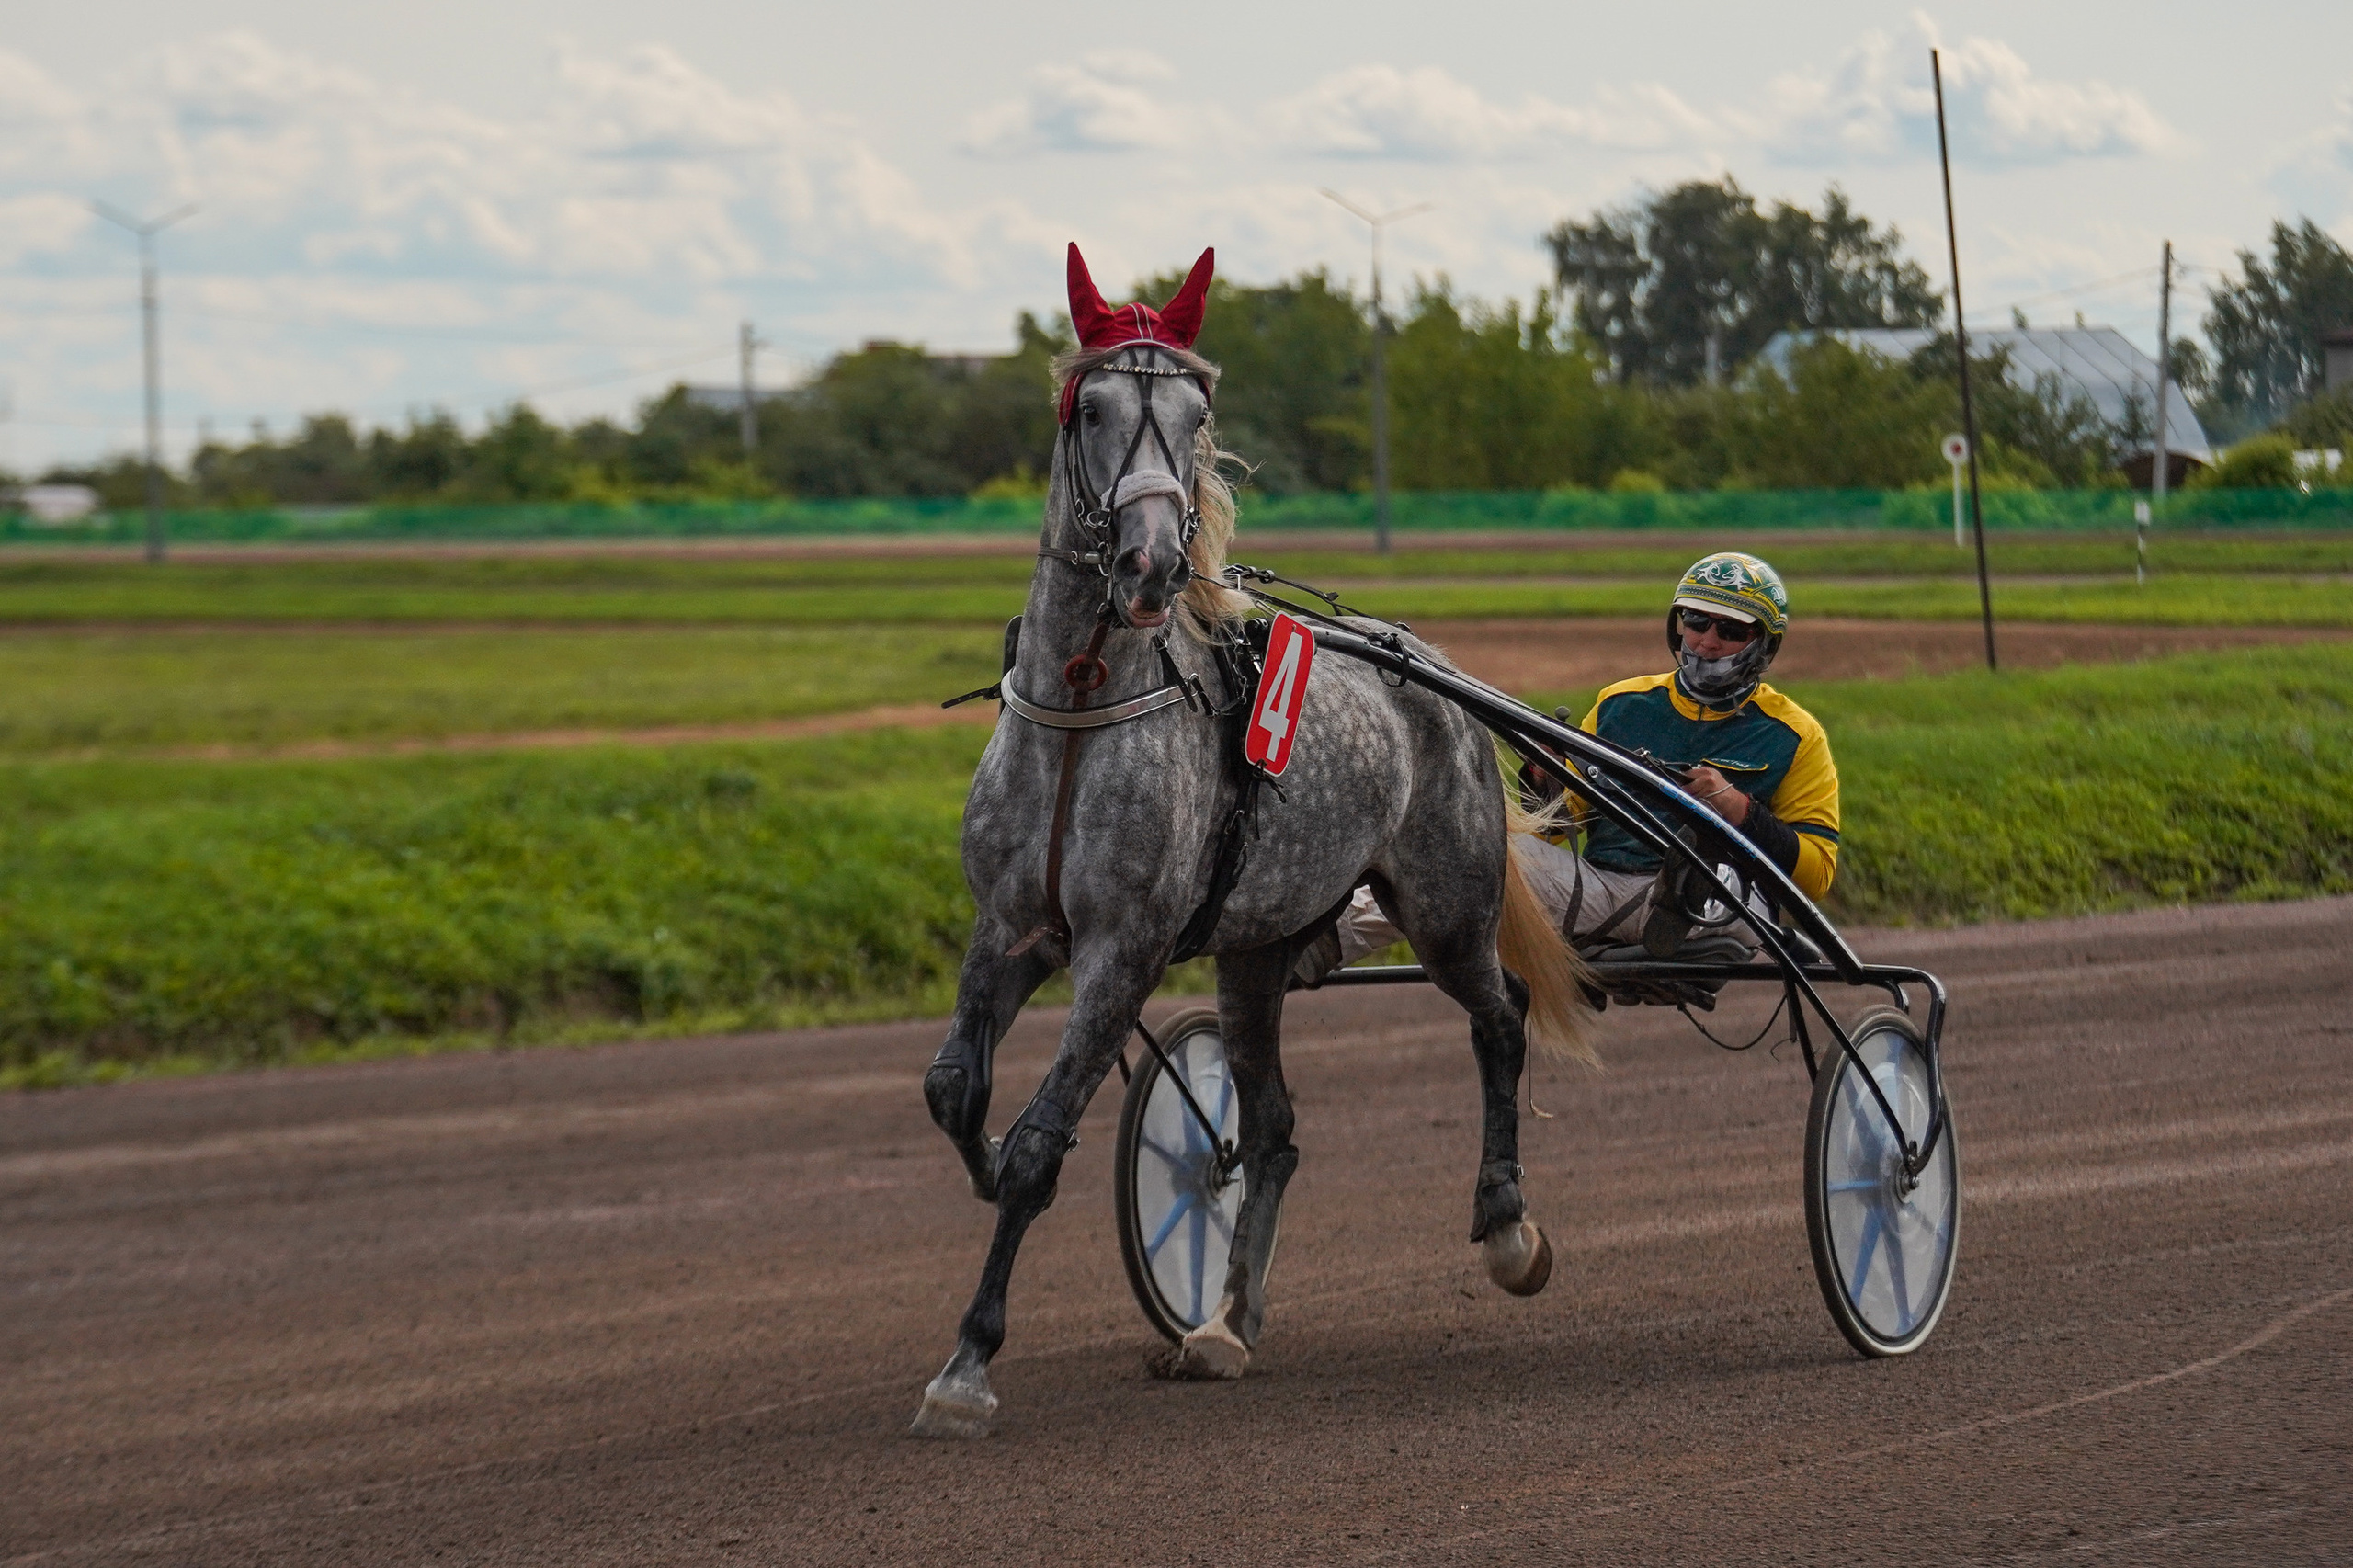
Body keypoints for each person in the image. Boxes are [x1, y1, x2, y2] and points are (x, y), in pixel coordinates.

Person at [1302, 551, 1841, 980]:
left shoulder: (1794, 735)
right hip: (1602, 890)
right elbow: (1559, 828)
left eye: (1729, 630)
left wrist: (1738, 809)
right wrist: (1545, 783)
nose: (1706, 639)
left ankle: (1684, 889)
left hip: (1726, 906)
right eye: (1695, 620)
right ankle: (1317, 945)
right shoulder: (1621, 704)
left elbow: (1816, 874)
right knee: (1458, 854)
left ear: (1763, 643)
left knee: (1716, 875)